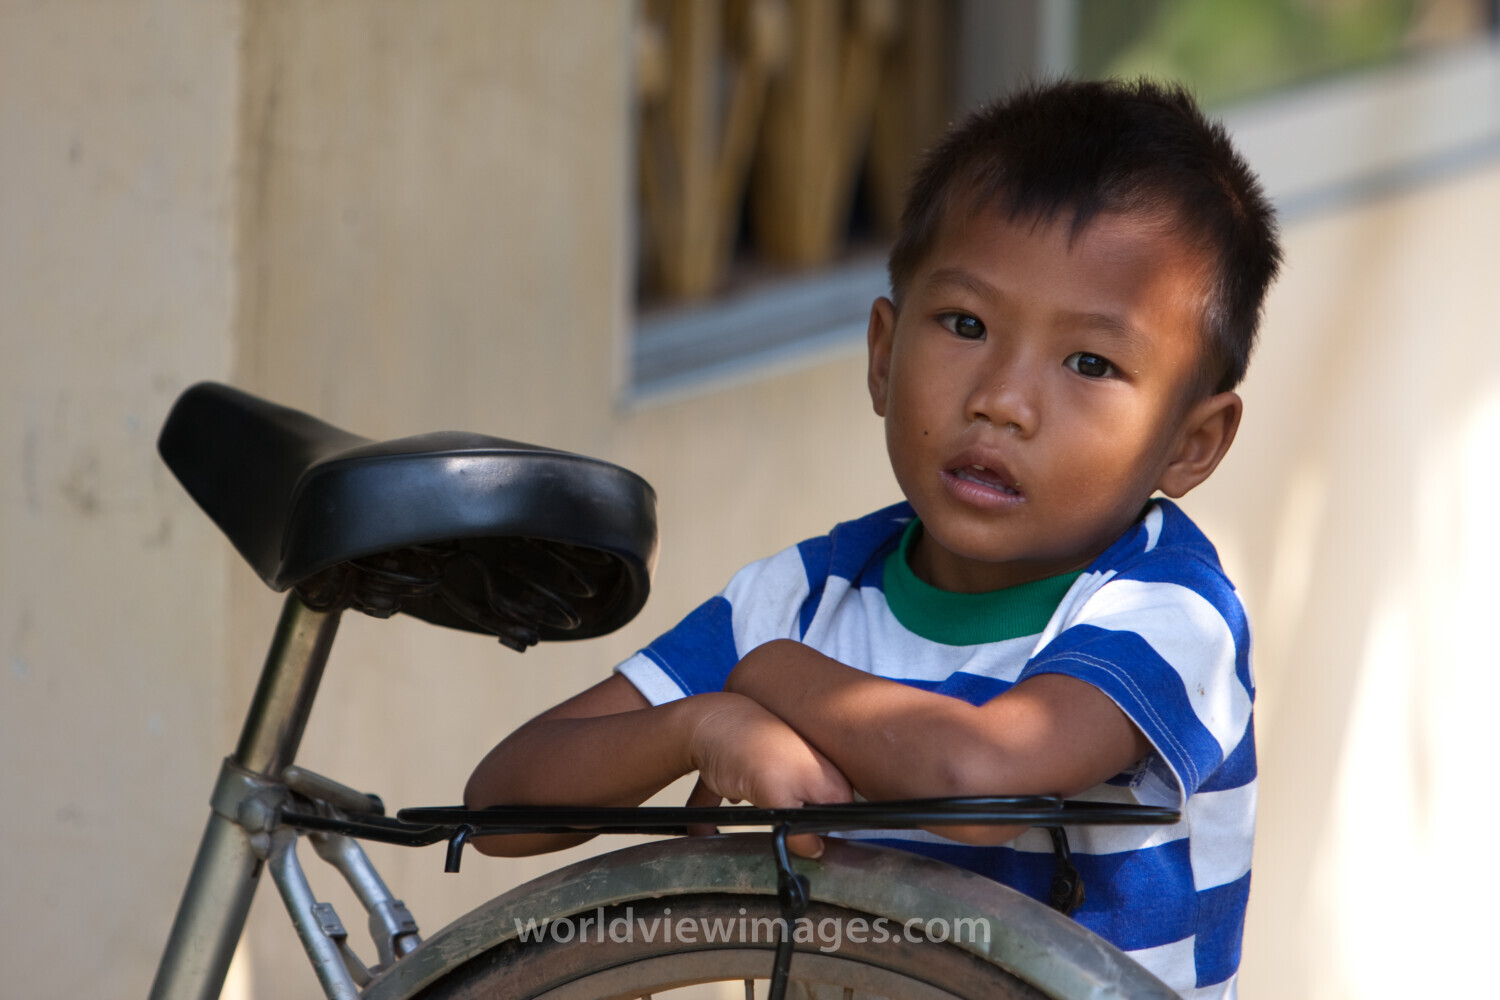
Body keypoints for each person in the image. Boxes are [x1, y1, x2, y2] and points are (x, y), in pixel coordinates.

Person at [465, 78, 1280, 999]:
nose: (1001, 401)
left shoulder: (1167, 613)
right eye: (965, 325)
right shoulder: (811, 593)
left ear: (1192, 442)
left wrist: (764, 676)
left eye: (1090, 362)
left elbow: (978, 782)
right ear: (884, 355)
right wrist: (698, 725)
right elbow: (501, 807)